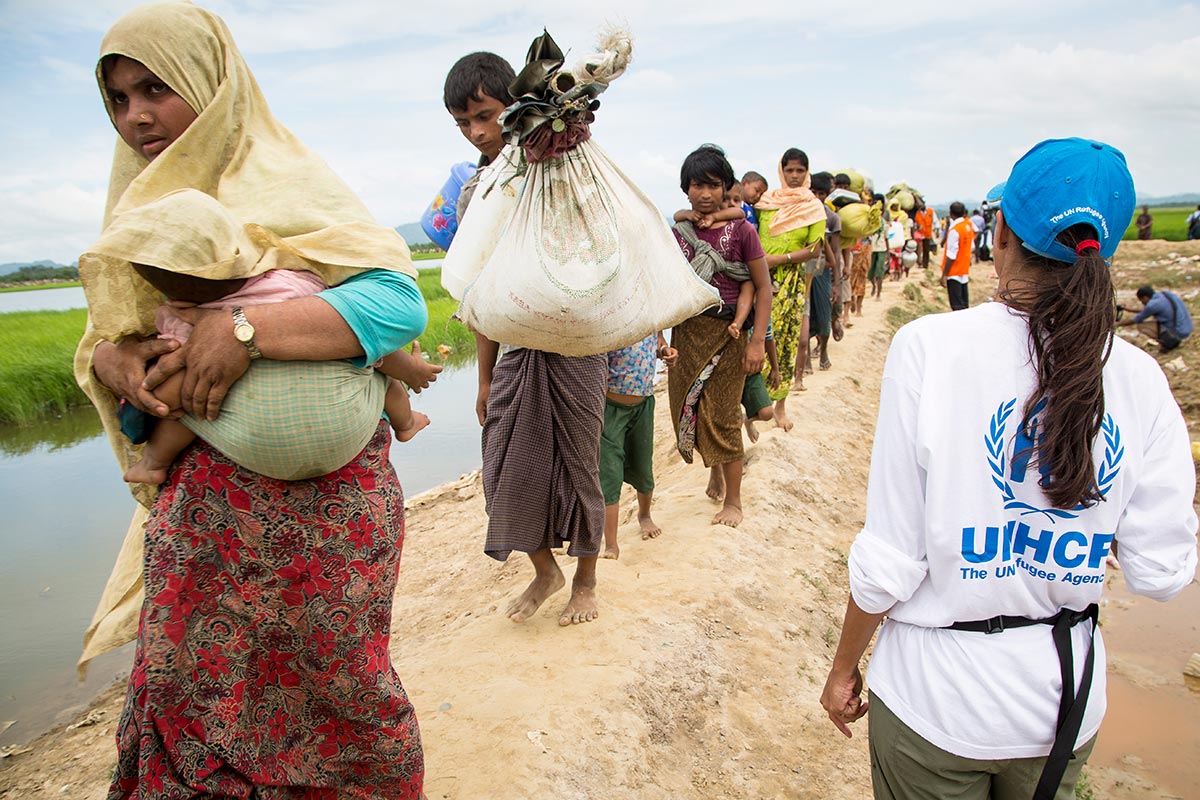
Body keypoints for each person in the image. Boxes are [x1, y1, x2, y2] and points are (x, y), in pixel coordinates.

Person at [78, 5, 429, 796]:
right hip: (205, 514)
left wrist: (242, 329)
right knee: (194, 686)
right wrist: (114, 357)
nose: (137, 116)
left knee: (341, 690)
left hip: (327, 514)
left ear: (211, 82)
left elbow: (398, 306)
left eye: (155, 88)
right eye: (118, 99)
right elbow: (105, 330)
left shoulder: (290, 183)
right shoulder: (140, 210)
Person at [820, 137, 1197, 800]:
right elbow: (1162, 575)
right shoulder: (1139, 380)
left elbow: (893, 556)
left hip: (936, 704)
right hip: (1061, 707)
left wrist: (844, 667)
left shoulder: (929, 348)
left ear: (1001, 233)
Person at [97, 192, 429, 486]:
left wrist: (153, 397)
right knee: (379, 367)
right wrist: (412, 369)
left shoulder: (178, 318)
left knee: (184, 408)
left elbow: (397, 310)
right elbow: (369, 338)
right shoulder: (289, 281)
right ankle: (407, 421)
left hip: (253, 491)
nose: (138, 118)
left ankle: (154, 462)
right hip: (227, 488)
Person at [445, 51, 608, 626]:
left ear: (518, 107)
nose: (477, 132)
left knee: (579, 465)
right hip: (516, 350)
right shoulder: (479, 197)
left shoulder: (570, 176)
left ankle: (585, 581)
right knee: (502, 464)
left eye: (485, 115)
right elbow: (479, 298)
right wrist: (485, 377)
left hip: (578, 344)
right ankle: (545, 570)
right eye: (463, 123)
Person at [669, 144, 772, 527]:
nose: (706, 194)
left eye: (713, 185)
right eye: (697, 185)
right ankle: (714, 469)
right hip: (686, 333)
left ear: (726, 186)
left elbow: (763, 287)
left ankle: (734, 502)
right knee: (689, 409)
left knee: (726, 416)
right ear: (686, 188)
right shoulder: (677, 232)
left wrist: (758, 340)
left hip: (728, 334)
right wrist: (662, 340)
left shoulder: (742, 230)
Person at [754, 148, 827, 410]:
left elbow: (814, 249)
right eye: (789, 170)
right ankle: (755, 405)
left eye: (800, 171)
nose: (794, 176)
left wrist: (779, 259)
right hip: (760, 279)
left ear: (806, 172)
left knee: (785, 340)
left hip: (791, 282)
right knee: (757, 338)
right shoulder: (767, 202)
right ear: (781, 171)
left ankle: (780, 405)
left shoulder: (813, 207)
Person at [600, 333, 676, 559]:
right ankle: (611, 544)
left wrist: (664, 352)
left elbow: (658, 342)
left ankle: (644, 516)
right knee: (609, 473)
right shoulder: (613, 314)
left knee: (643, 466)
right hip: (609, 406)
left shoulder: (650, 315)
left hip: (643, 403)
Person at [809, 171, 843, 368]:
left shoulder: (832, 218)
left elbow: (836, 253)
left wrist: (836, 284)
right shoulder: (801, 215)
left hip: (822, 271)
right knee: (805, 316)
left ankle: (823, 351)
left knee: (823, 316)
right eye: (813, 192)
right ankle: (804, 360)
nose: (817, 197)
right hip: (804, 270)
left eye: (821, 193)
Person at [1118, 284, 1194, 351]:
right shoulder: (1164, 294)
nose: (1142, 303)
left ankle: (1169, 343)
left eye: (1142, 301)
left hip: (1178, 332)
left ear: (1145, 297)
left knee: (1142, 326)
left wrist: (1117, 324)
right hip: (1186, 327)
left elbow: (1136, 320)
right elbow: (1147, 310)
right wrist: (1129, 310)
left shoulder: (1152, 305)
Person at [940, 201, 975, 310]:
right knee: (964, 305)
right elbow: (971, 247)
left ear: (951, 213)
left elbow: (951, 255)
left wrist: (944, 275)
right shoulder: (967, 226)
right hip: (963, 270)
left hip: (954, 272)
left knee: (957, 307)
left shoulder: (955, 230)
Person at [913, 198, 936, 269]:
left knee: (926, 250)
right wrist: (917, 227)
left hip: (927, 234)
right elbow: (915, 224)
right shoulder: (917, 214)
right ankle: (920, 263)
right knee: (919, 250)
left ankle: (925, 264)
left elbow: (935, 221)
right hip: (920, 235)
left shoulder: (931, 211)